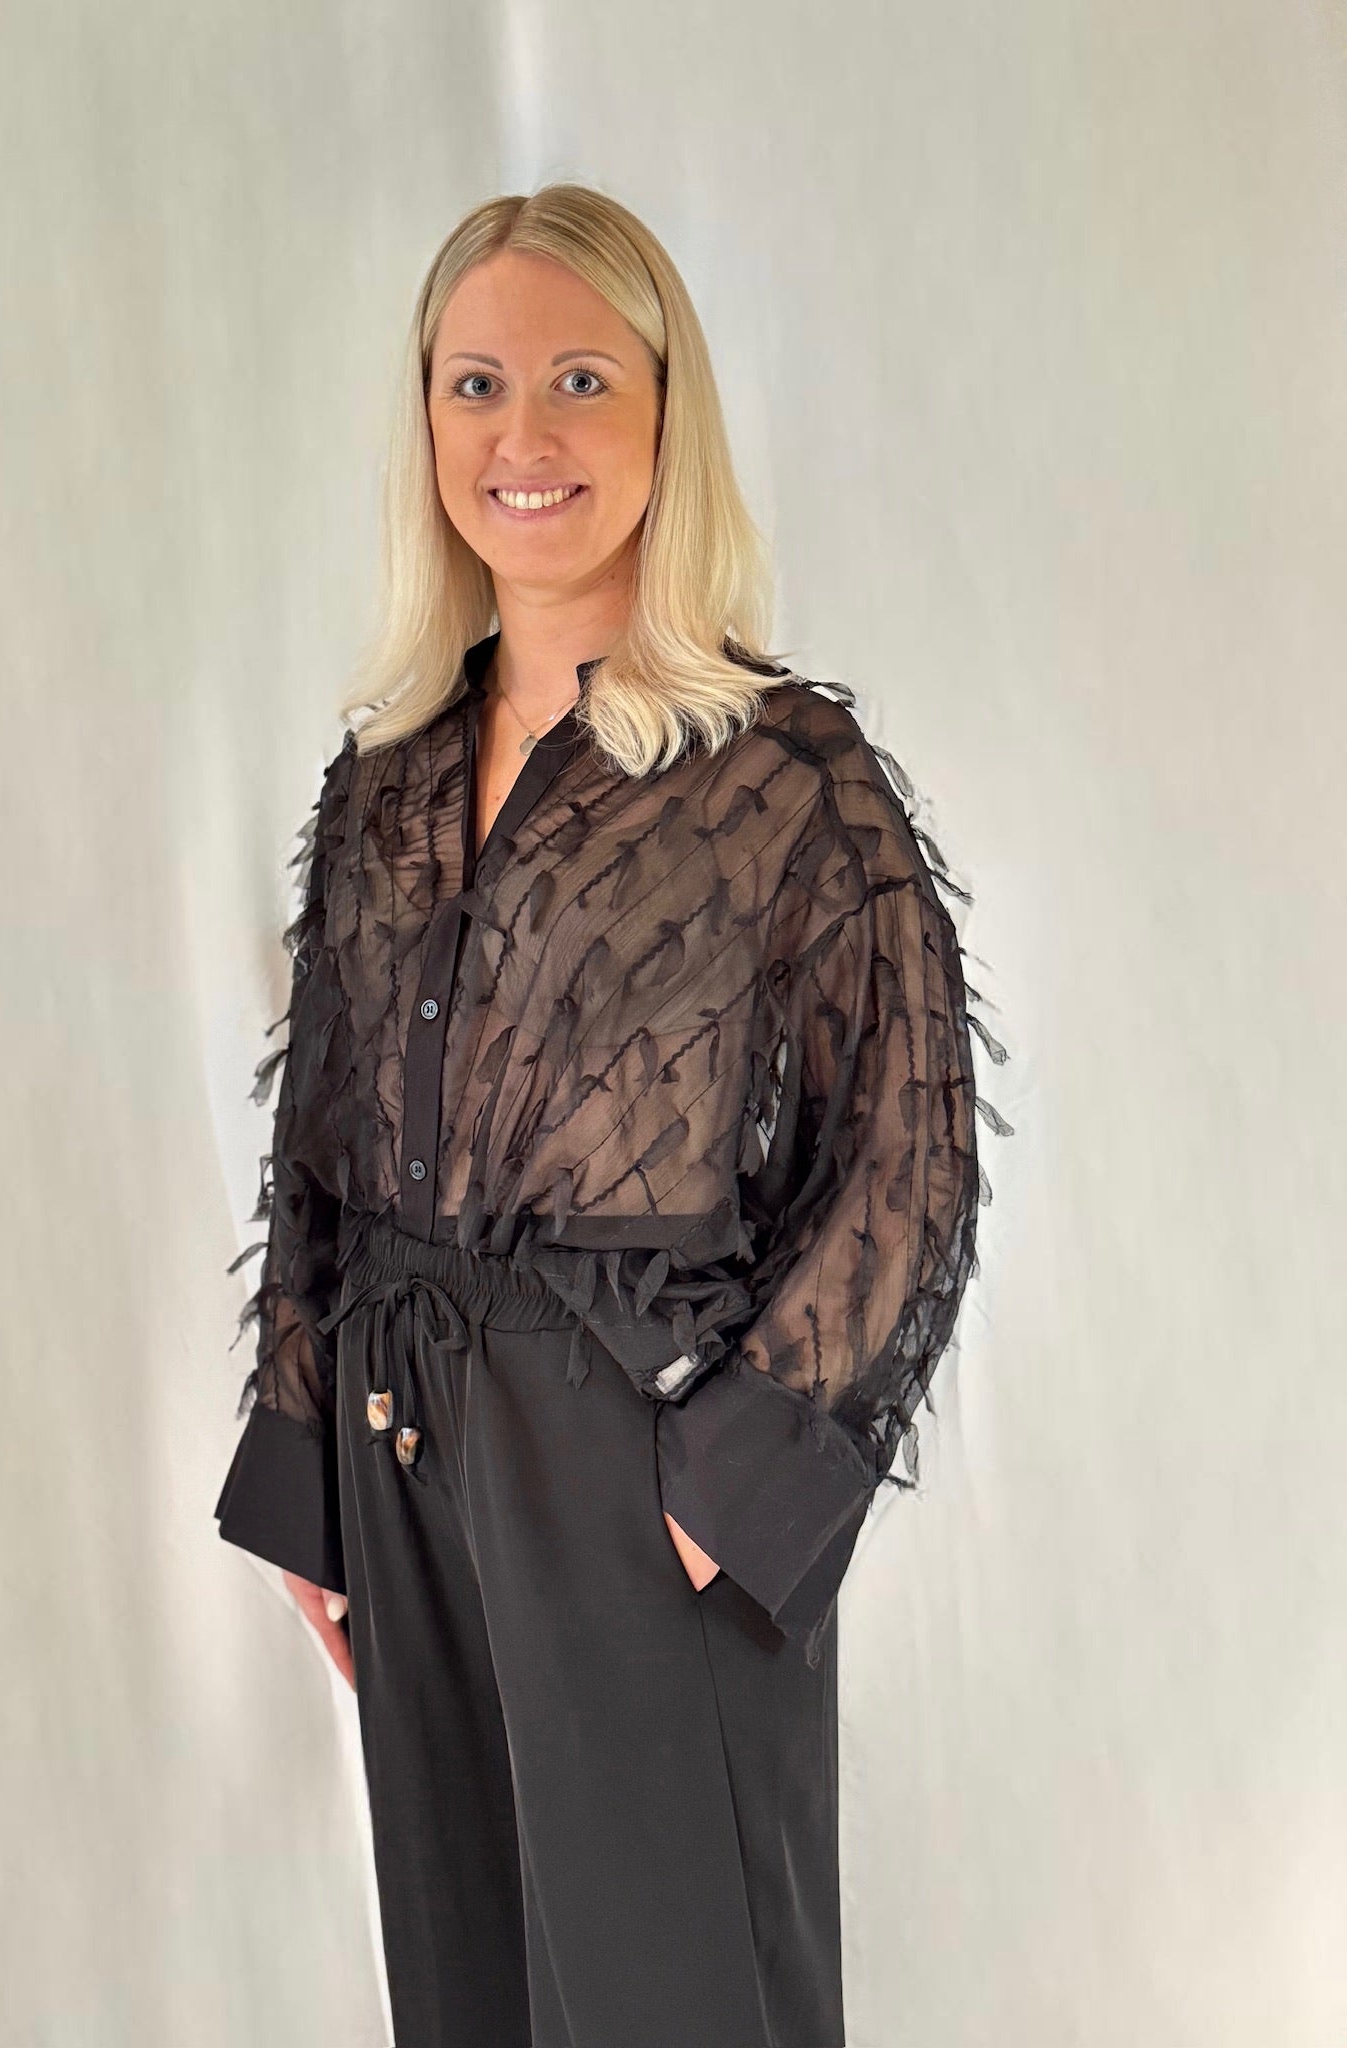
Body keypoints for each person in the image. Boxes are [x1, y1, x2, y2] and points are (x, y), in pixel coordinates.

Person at [213, 180, 1006, 2048]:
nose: (526, 435)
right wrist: (311, 1477)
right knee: (470, 1994)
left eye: (581, 378)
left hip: (637, 1458)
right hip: (405, 1450)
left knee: (681, 1999)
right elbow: (318, 1147)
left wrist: (726, 1494)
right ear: (426, 424)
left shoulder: (780, 774)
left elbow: (910, 1148)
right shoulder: (387, 780)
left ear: (667, 414)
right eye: (476, 384)